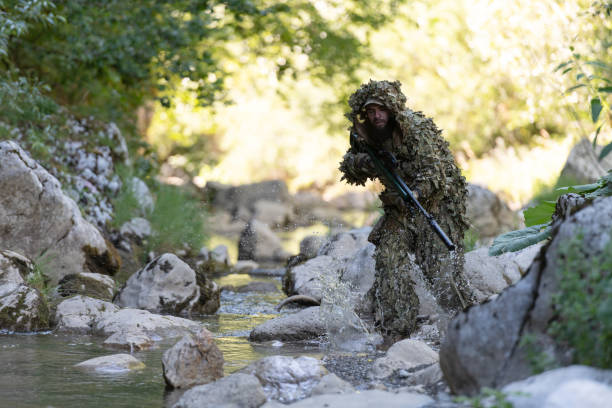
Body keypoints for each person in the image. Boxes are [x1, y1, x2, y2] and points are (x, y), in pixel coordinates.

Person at [339, 79, 474, 340]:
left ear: (392, 109)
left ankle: (468, 330)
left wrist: (417, 193)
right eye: (370, 111)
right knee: (389, 262)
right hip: (399, 209)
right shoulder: (366, 135)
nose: (376, 116)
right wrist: (367, 162)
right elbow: (348, 166)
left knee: (442, 275)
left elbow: (436, 175)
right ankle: (397, 333)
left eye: (381, 109)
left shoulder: (416, 130)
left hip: (437, 207)